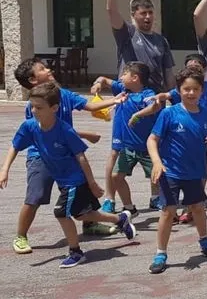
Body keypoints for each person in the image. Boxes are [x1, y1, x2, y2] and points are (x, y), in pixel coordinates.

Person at [0, 83, 137, 268]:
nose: (33, 110)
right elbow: (15, 145)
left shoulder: (64, 130)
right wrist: (4, 169)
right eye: (31, 106)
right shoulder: (30, 126)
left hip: (74, 180)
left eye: (39, 107)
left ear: (54, 108)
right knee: (82, 214)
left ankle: (76, 252)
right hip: (63, 180)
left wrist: (92, 184)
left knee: (61, 213)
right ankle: (120, 219)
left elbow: (81, 158)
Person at [11, 58, 113, 254]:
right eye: (42, 69)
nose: (48, 69)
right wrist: (85, 135)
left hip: (66, 153)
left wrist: (116, 99)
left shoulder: (63, 95)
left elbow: (89, 107)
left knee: (82, 188)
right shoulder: (35, 106)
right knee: (35, 196)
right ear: (33, 80)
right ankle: (21, 236)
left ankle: (90, 225)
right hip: (41, 154)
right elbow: (46, 132)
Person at [145, 68, 207, 273]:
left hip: (195, 172)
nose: (191, 93)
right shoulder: (169, 113)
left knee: (197, 207)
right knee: (168, 211)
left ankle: (204, 239)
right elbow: (152, 139)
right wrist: (156, 162)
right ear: (178, 90)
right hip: (170, 171)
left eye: (195, 89)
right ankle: (160, 252)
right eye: (186, 89)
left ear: (202, 91)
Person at [95, 62, 158, 216]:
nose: (120, 77)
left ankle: (158, 199)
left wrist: (137, 114)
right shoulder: (122, 89)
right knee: (116, 173)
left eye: (124, 74)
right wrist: (97, 84)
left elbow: (154, 106)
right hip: (125, 142)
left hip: (145, 145)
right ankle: (124, 205)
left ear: (135, 78)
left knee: (156, 176)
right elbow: (103, 79)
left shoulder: (147, 93)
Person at [107, 0, 175, 91]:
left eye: (150, 12)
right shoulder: (127, 33)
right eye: (143, 13)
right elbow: (111, 10)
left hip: (153, 98)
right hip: (128, 97)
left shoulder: (161, 41)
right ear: (133, 14)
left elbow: (168, 74)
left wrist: (172, 97)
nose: (148, 17)